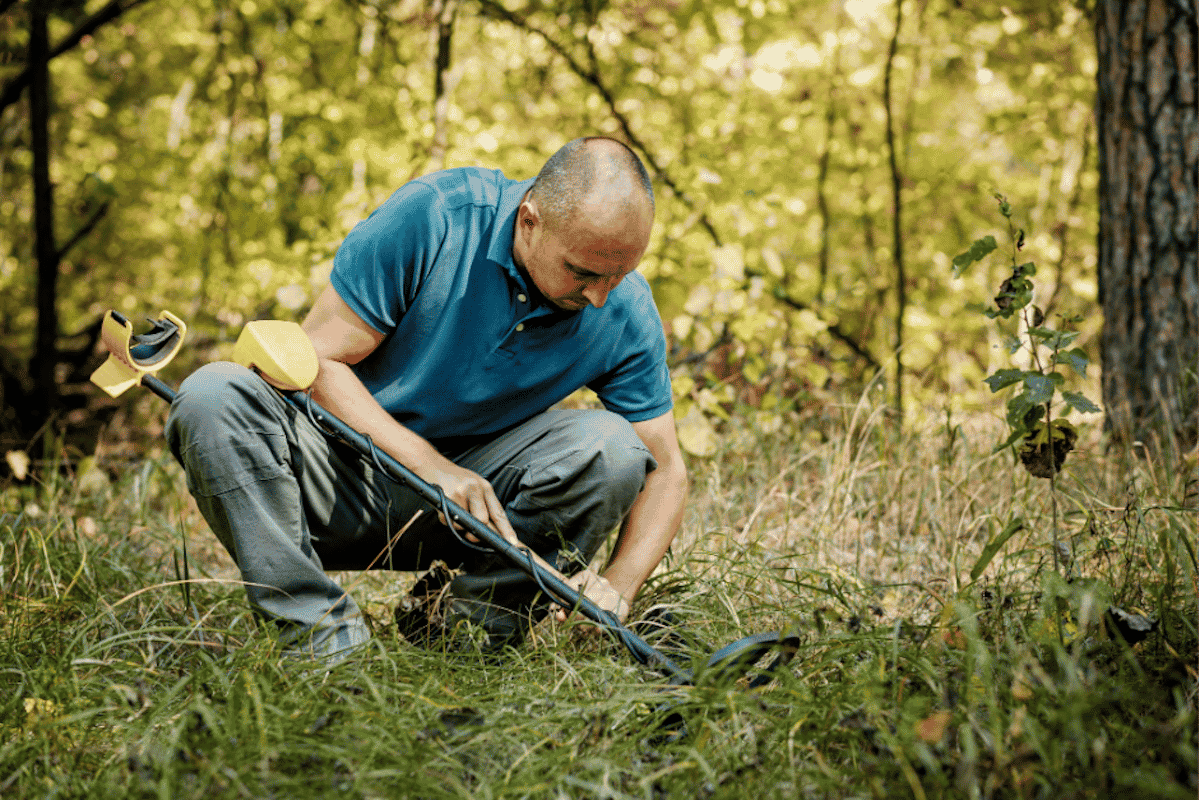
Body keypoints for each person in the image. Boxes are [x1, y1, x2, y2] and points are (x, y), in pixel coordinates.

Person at [166, 136, 688, 663]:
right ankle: (321, 638)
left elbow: (666, 470)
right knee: (213, 394)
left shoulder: (623, 310)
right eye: (583, 272)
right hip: (334, 473)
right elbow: (317, 363)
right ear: (529, 220)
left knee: (614, 449)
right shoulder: (439, 215)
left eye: (619, 275)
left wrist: (619, 585)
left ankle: (461, 633)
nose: (600, 295)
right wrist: (430, 466)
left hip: (479, 510)